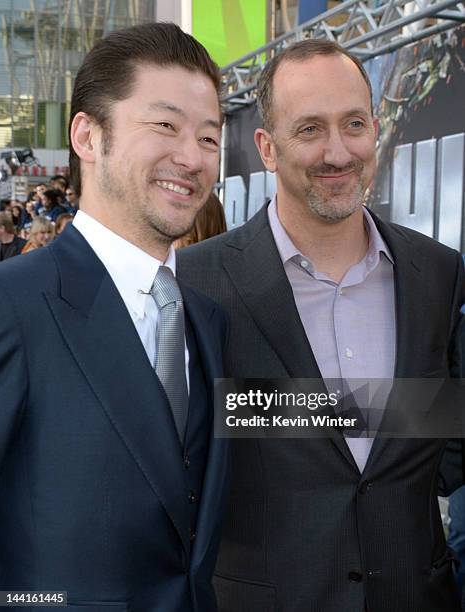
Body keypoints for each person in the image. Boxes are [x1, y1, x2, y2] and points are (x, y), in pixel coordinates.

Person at [177, 39, 465, 612]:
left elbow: (448, 430)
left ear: (375, 130)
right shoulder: (194, 282)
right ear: (266, 147)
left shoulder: (437, 271)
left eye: (353, 124)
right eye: (309, 129)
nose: (338, 152)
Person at [0, 22, 228, 612]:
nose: (192, 157)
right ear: (87, 136)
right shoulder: (13, 304)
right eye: (165, 125)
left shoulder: (207, 320)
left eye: (209, 137)